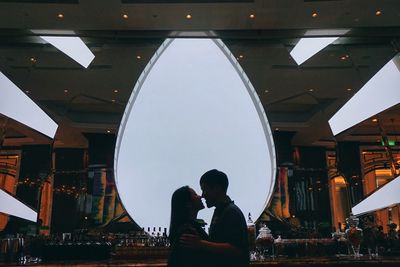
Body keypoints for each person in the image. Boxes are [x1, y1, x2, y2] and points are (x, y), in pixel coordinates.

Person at [181, 169, 249, 267]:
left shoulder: (231, 212)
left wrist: (200, 243)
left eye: (205, 189)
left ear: (217, 188)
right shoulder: (222, 211)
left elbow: (236, 249)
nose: (203, 195)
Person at [168, 186, 209, 267]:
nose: (200, 196)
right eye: (195, 195)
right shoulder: (188, 231)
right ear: (188, 204)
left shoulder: (185, 228)